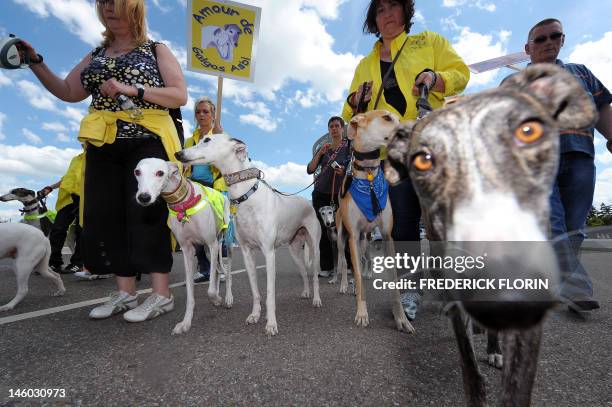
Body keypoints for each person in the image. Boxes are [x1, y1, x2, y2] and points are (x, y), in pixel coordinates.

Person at [20, 0, 187, 322]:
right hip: (102, 141)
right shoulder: (96, 55)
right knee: (104, 215)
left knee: (145, 214)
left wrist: (131, 89)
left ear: (133, 9)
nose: (109, 9)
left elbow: (178, 95)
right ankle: (125, 292)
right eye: (105, 3)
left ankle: (161, 295)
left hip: (145, 137)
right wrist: (35, 62)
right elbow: (69, 91)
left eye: (117, 3)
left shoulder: (155, 49)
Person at [341, 0, 469, 320]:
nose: (388, 14)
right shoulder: (364, 65)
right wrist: (354, 102)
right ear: (374, 19)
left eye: (394, 6)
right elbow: (350, 118)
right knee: (404, 223)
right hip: (392, 154)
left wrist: (435, 78)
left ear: (405, 12)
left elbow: (460, 74)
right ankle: (410, 288)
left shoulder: (430, 42)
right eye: (380, 9)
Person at [515, 18, 612, 312]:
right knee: (553, 223)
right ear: (528, 48)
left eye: (553, 36)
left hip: (581, 153)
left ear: (562, 40)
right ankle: (576, 288)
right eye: (540, 39)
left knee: (575, 228)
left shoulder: (581, 72)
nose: (547, 43)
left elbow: (602, 107)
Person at [184, 97, 229, 284]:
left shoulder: (220, 136)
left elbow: (227, 161)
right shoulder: (189, 140)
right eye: (198, 112)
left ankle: (222, 267)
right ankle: (204, 269)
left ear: (213, 115)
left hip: (215, 189)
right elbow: (185, 163)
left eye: (206, 111)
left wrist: (221, 138)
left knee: (219, 232)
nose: (202, 115)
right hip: (195, 190)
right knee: (195, 231)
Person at [307, 116, 352, 277]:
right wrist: (319, 153)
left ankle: (348, 265)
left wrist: (344, 171)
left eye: (337, 126)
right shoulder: (325, 149)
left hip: (341, 193)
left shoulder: (348, 147)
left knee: (344, 229)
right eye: (331, 126)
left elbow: (354, 168)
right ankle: (326, 266)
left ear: (342, 128)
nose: (334, 129)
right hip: (321, 194)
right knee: (323, 231)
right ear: (328, 129)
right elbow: (310, 169)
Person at [39, 149, 85, 275]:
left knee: (81, 231)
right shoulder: (76, 159)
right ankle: (54, 263)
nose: (84, 143)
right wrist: (50, 187)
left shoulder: (97, 158)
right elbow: (66, 179)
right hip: (68, 198)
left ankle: (77, 263)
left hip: (87, 198)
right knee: (58, 229)